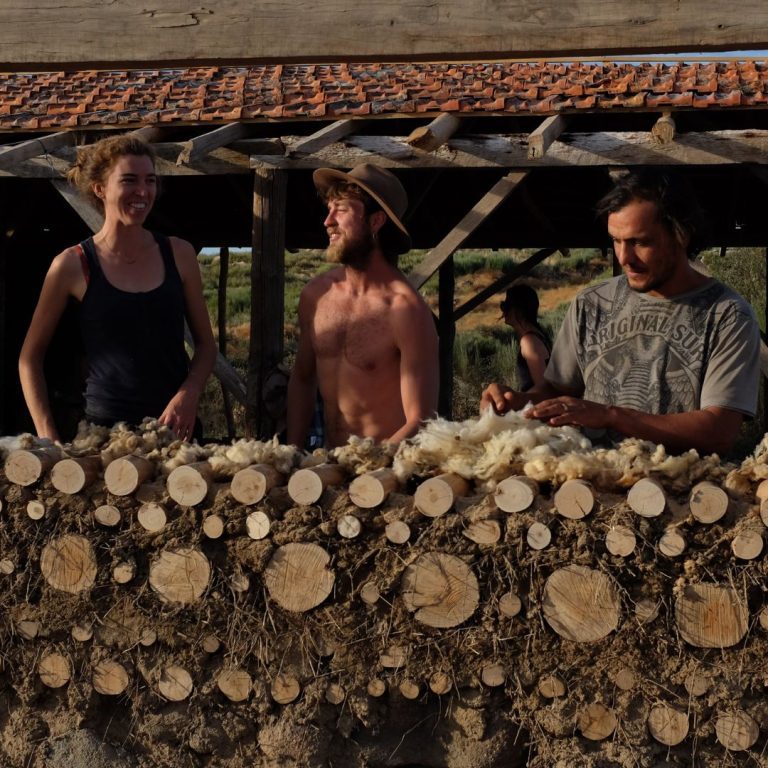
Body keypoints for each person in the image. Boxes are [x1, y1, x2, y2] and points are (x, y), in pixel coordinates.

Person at [481, 170, 760, 456]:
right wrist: (518, 403)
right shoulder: (591, 304)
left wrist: (611, 416)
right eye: (616, 240)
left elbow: (719, 431)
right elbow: (554, 390)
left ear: (682, 235)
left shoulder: (727, 316)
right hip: (587, 492)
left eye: (640, 242)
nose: (624, 258)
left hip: (683, 492)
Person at [19, 134, 216, 442]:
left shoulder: (179, 254)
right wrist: (48, 437)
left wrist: (188, 394)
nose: (143, 191)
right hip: (105, 438)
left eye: (150, 180)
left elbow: (206, 346)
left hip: (176, 435)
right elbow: (29, 358)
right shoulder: (72, 264)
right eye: (129, 180)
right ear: (100, 189)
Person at [287, 164, 439, 448]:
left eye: (341, 210)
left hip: (385, 476)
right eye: (329, 209)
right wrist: (290, 455)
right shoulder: (315, 295)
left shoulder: (405, 309)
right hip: (326, 467)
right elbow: (303, 380)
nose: (327, 222)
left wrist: (370, 469)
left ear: (375, 221)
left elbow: (420, 419)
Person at [500, 284, 551, 391]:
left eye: (506, 306)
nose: (503, 311)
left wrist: (515, 399)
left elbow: (543, 388)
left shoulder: (529, 341)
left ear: (519, 310)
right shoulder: (538, 335)